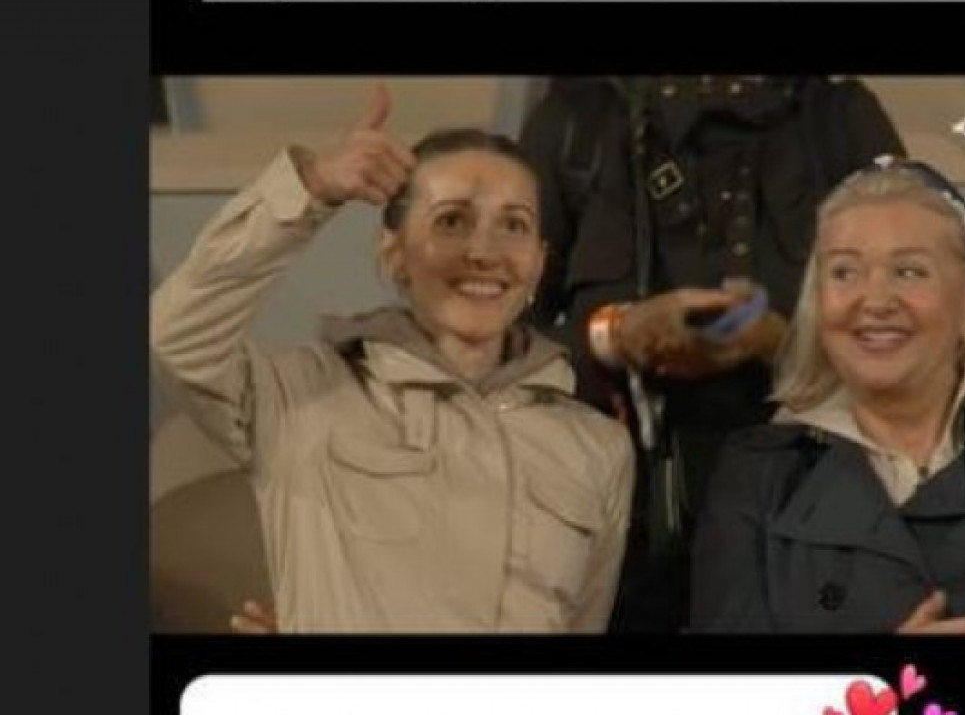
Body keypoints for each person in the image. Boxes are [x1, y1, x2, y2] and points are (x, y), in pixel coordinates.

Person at [150, 85, 634, 633]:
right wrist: (311, 187)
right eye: (451, 221)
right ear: (394, 252)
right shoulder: (301, 397)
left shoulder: (599, 448)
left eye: (514, 225)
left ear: (540, 263)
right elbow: (177, 334)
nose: (484, 252)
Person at [688, 155, 965, 633]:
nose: (875, 300)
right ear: (817, 306)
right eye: (844, 272)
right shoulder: (755, 475)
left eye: (909, 271)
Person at [519, 76, 905, 631]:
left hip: (816, 521)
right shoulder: (575, 123)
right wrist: (616, 334)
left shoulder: (840, 120)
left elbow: (919, 337)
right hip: (611, 528)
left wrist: (782, 344)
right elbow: (502, 344)